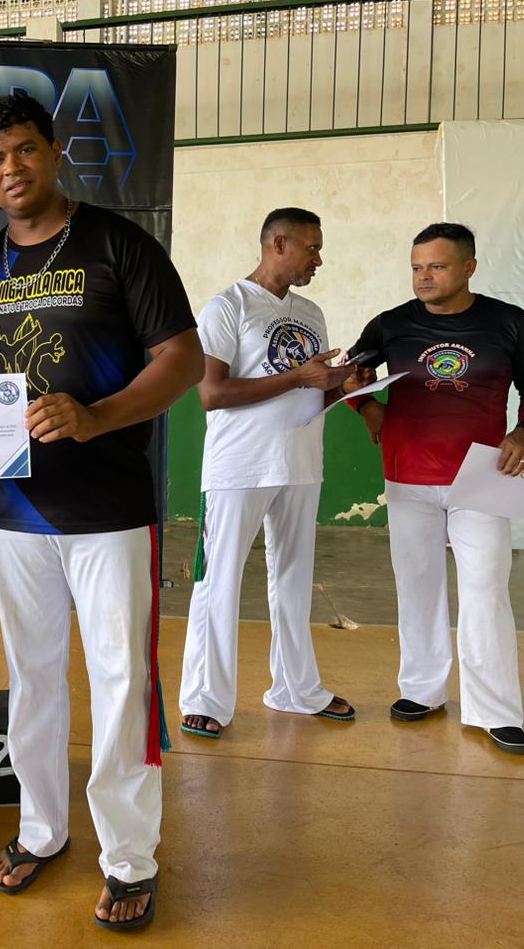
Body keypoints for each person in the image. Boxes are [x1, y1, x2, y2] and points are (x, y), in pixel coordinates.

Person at [0, 94, 203, 931]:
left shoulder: (118, 244)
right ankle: (41, 829)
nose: (12, 169)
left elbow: (183, 360)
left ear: (55, 152)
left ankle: (130, 857)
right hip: (13, 508)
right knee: (31, 679)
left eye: (25, 150)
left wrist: (96, 417)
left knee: (122, 680)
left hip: (110, 508)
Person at [346, 223, 524, 755]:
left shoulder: (508, 322)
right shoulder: (391, 324)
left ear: (469, 267)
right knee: (417, 586)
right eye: (417, 267)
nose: (423, 277)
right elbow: (349, 374)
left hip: (483, 475)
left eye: (436, 267)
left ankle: (495, 711)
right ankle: (422, 691)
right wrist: (366, 406)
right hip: (407, 475)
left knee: (485, 589)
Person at [180, 208, 364, 739]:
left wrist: (342, 385)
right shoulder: (228, 306)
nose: (319, 259)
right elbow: (212, 393)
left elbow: (311, 388)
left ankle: (296, 689)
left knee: (294, 580)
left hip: (301, 461)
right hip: (238, 466)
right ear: (278, 244)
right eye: (312, 248)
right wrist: (299, 377)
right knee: (218, 581)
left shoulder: (310, 312)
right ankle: (205, 698)